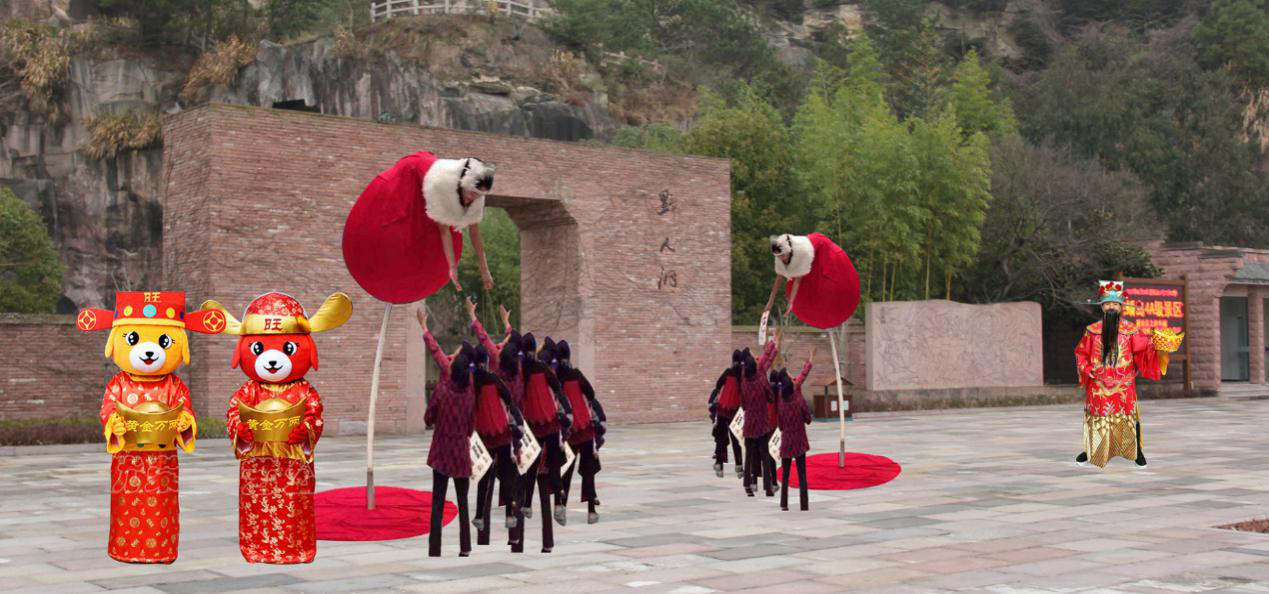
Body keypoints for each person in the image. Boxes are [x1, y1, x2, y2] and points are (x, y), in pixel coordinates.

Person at [210, 292, 351, 564]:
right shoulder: (247, 391)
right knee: (257, 507)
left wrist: (307, 431)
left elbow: (315, 415)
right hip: (257, 466)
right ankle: (257, 548)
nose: (272, 359)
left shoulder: (304, 391)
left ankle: (294, 549)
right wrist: (242, 430)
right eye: (260, 349)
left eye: (287, 348)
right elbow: (232, 414)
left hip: (293, 466)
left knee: (293, 507)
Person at [1073, 281, 1166, 468]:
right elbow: (1081, 353)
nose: (1111, 307)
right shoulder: (1092, 331)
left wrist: (1157, 345)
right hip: (1098, 384)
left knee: (1128, 418)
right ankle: (1091, 451)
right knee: (1097, 418)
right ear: (1102, 307)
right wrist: (1087, 369)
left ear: (1121, 307)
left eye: (1115, 304)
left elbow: (1143, 349)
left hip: (1123, 384)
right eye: (1108, 304)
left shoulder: (1131, 331)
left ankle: (1136, 452)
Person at [418, 308, 478, 557]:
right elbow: (471, 427)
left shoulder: (442, 389)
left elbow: (429, 417)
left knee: (437, 503)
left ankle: (435, 549)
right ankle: (465, 548)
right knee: (463, 503)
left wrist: (424, 327)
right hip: (461, 454)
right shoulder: (471, 393)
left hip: (442, 453)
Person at [518, 333, 572, 552]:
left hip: (533, 424)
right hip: (550, 422)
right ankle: (559, 504)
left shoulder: (524, 370)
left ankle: (527, 504)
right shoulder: (547, 371)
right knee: (554, 467)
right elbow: (559, 392)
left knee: (533, 465)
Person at [554, 340, 607, 525]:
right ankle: (591, 511)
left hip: (567, 432)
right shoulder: (576, 375)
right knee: (588, 471)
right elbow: (591, 394)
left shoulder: (555, 378)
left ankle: (561, 506)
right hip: (584, 429)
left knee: (565, 471)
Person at [772, 348, 814, 511]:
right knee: (802, 474)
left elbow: (781, 425)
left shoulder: (781, 402)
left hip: (787, 442)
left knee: (786, 474)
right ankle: (804, 505)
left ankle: (784, 504)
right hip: (800, 442)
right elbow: (808, 419)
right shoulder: (798, 401)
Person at [740, 332, 780, 497]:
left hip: (749, 422)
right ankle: (768, 488)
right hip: (762, 422)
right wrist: (773, 341)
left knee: (749, 455)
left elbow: (743, 404)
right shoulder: (761, 381)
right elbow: (770, 397)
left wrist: (773, 344)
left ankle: (748, 486)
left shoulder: (744, 382)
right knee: (764, 454)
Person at [707, 351, 745, 478]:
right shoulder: (743, 375)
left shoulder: (728, 372)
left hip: (723, 409)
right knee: (736, 440)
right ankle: (739, 466)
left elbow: (718, 385)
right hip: (735, 412)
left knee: (721, 439)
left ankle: (719, 465)